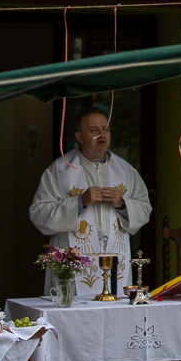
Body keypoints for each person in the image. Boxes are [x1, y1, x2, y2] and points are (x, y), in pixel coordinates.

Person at [27, 105, 152, 300]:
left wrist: (122, 204)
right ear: (79, 137)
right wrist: (79, 202)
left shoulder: (126, 171)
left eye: (105, 129)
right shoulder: (59, 171)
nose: (102, 134)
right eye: (94, 130)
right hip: (73, 260)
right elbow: (38, 214)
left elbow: (144, 208)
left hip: (115, 257)